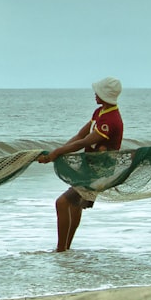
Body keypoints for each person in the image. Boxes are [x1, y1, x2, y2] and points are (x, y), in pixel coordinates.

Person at [38, 78, 123, 252]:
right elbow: (79, 137)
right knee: (75, 205)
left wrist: (56, 154)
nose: (95, 94)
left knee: (62, 203)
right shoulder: (99, 112)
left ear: (105, 95)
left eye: (98, 92)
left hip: (98, 172)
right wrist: (57, 151)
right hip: (88, 169)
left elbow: (83, 142)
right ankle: (66, 249)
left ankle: (61, 250)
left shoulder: (110, 121)